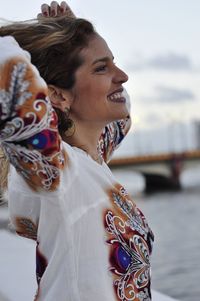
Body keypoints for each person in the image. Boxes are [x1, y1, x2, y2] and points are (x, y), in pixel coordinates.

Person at [0, 2, 154, 300]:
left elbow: (123, 112)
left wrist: (70, 32)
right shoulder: (60, 172)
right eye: (101, 68)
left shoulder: (92, 158)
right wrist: (48, 38)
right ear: (57, 94)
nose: (122, 75)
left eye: (113, 62)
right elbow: (12, 83)